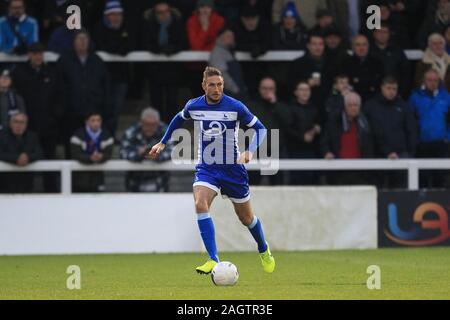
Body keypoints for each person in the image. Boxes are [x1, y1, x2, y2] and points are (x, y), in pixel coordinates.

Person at [149, 66, 275, 275]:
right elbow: (179, 118)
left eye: (219, 85)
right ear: (203, 86)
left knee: (247, 219)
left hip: (233, 170)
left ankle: (263, 248)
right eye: (212, 85)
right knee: (200, 203)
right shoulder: (194, 105)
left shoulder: (235, 106)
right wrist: (163, 142)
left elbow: (260, 128)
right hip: (207, 167)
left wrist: (250, 151)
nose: (216, 89)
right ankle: (213, 259)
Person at [12, 42, 60, 192]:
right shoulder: (19, 72)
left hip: (49, 126)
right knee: (26, 159)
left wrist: (55, 116)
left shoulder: (52, 72)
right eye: (34, 53)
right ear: (29, 55)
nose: (37, 56)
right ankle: (25, 191)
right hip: (27, 127)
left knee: (49, 158)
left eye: (40, 53)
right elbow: (15, 97)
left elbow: (61, 96)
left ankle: (51, 192)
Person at [57, 29, 112, 158]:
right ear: (73, 42)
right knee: (72, 147)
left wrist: (103, 108)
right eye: (79, 39)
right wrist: (61, 109)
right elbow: (59, 87)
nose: (82, 42)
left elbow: (105, 86)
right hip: (71, 114)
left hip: (93, 113)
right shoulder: (64, 60)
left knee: (96, 148)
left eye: (85, 39)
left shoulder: (97, 61)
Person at [363, 76, 417, 188]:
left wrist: (410, 152)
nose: (391, 91)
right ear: (382, 88)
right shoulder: (371, 106)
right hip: (378, 155)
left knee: (400, 189)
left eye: (394, 88)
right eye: (388, 88)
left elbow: (411, 129)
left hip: (401, 154)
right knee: (379, 189)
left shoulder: (403, 106)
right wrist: (383, 151)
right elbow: (369, 132)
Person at [92, 0, 136, 138]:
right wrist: (118, 48)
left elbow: (131, 45)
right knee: (103, 108)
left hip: (121, 76)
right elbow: (101, 45)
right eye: (113, 14)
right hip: (102, 76)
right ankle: (101, 136)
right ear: (107, 15)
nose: (116, 17)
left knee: (115, 109)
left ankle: (110, 137)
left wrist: (119, 48)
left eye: (119, 14)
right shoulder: (98, 28)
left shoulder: (128, 26)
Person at [141, 0, 187, 121]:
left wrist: (172, 49)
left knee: (172, 101)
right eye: (160, 12)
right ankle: (158, 130)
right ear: (155, 14)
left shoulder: (178, 24)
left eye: (166, 11)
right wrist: (160, 49)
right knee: (156, 102)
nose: (163, 14)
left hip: (173, 71)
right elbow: (145, 43)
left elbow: (183, 43)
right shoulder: (149, 25)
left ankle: (171, 131)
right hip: (155, 71)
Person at [321, 92, 374, 185]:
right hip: (338, 170)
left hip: (360, 170)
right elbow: (324, 141)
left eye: (356, 105)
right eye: (350, 105)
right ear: (345, 106)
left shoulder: (365, 122)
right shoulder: (334, 121)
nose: (353, 108)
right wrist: (327, 152)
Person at [409, 69, 450, 188]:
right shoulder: (415, 97)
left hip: (441, 143)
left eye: (435, 80)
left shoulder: (446, 97)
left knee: (441, 177)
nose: (432, 83)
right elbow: (411, 120)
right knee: (423, 177)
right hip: (423, 144)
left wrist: (448, 137)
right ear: (424, 81)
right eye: (430, 80)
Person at [120, 107, 173, 192]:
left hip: (160, 180)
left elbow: (173, 151)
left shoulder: (166, 132)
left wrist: (158, 156)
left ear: (158, 123)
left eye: (153, 124)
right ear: (141, 122)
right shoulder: (131, 133)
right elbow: (123, 153)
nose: (150, 127)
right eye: (147, 124)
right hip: (135, 181)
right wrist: (138, 154)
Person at [286, 81, 321, 185]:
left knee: (311, 179)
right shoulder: (290, 109)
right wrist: (302, 137)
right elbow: (287, 129)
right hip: (294, 150)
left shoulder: (314, 109)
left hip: (312, 150)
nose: (305, 92)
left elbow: (319, 125)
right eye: (302, 89)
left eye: (307, 90)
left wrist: (316, 130)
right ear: (296, 92)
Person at [70, 112, 114, 193]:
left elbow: (140, 156)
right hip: (81, 179)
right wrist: (90, 158)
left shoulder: (106, 135)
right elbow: (134, 155)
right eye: (93, 120)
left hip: (98, 178)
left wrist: (102, 157)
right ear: (86, 122)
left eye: (98, 120)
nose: (96, 123)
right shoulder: (134, 133)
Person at [0, 112, 42, 193]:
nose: (19, 125)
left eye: (22, 122)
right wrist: (16, 158)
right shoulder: (2, 136)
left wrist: (28, 157)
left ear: (26, 124)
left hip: (26, 183)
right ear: (10, 123)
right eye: (16, 122)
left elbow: (39, 153)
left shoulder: (32, 136)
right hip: (4, 183)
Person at [340, 34, 384, 102]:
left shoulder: (377, 63)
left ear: (368, 46)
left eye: (364, 44)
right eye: (358, 45)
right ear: (352, 47)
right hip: (352, 101)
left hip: (373, 100)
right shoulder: (345, 64)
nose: (361, 47)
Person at [209, 27, 248, 100]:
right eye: (228, 36)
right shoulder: (217, 53)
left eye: (232, 36)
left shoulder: (227, 51)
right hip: (228, 94)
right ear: (220, 38)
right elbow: (221, 75)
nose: (232, 39)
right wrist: (235, 89)